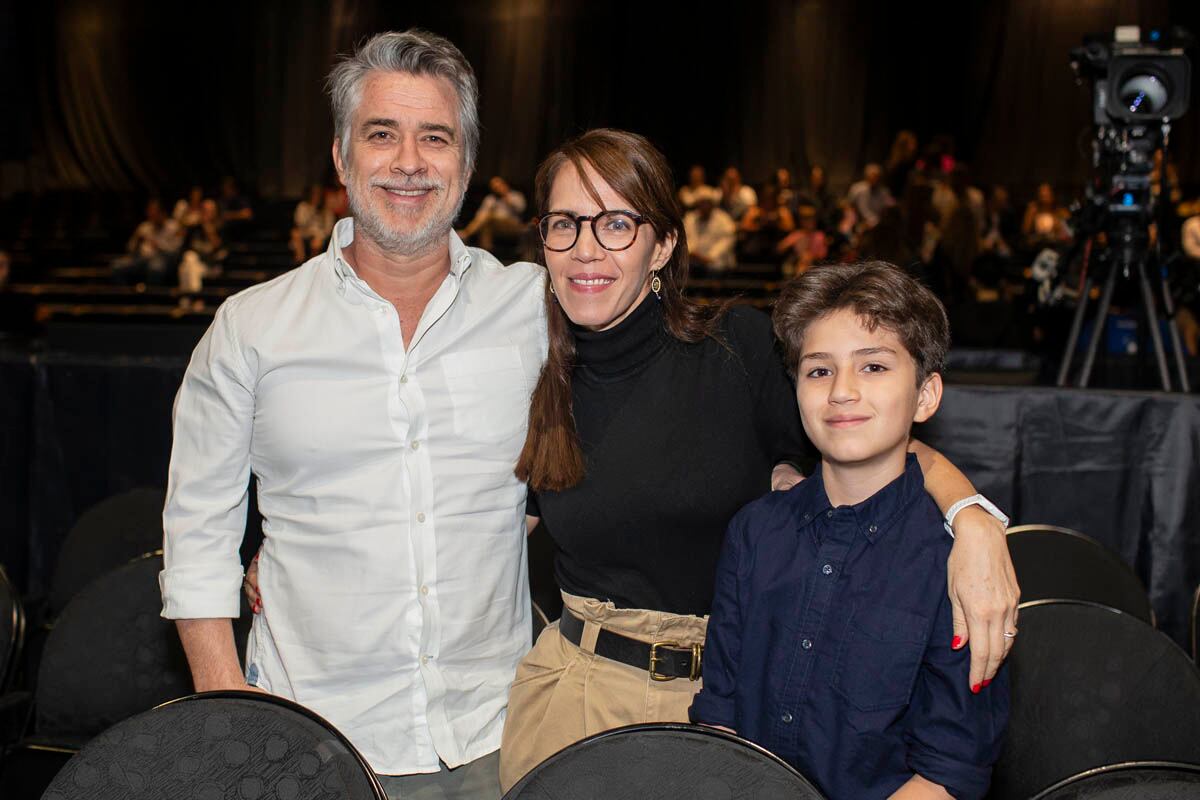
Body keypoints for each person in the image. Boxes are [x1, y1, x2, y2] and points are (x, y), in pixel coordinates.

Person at [496, 129, 1019, 792]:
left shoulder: (735, 349)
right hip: (575, 702)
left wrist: (972, 519)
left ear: (664, 244)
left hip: (734, 708)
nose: (585, 247)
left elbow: (869, 430)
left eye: (617, 223)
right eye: (564, 223)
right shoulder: (538, 374)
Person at [160, 30, 544, 799]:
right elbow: (197, 535)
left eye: (435, 137)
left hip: (498, 738)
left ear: (467, 162)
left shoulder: (533, 308)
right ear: (340, 158)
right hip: (307, 744)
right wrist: (229, 710)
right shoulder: (251, 327)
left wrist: (783, 462)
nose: (409, 161)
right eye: (381, 134)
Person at [692, 262, 1008, 799]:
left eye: (873, 367)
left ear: (926, 395)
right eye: (819, 371)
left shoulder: (955, 564)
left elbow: (948, 772)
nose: (841, 391)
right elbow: (719, 717)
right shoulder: (755, 532)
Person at [112, 198, 184, 285]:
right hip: (141, 259)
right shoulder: (144, 227)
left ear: (162, 213)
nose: (151, 215)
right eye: (150, 212)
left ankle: (150, 294)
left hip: (163, 260)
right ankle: (126, 293)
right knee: (117, 266)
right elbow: (129, 249)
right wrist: (137, 240)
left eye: (154, 212)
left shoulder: (174, 227)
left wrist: (158, 246)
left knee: (154, 268)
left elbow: (175, 251)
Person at [457, 175, 527, 252]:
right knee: (486, 223)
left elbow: (521, 209)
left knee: (488, 218)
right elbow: (480, 215)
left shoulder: (516, 196)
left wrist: (506, 197)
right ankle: (486, 251)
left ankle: (466, 233)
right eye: (495, 187)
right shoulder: (490, 199)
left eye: (499, 185)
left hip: (513, 224)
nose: (497, 188)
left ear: (505, 184)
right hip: (494, 224)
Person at [684, 191, 737, 272]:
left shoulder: (724, 219)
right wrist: (691, 251)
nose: (704, 206)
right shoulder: (690, 218)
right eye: (702, 203)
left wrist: (710, 256)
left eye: (707, 203)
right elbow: (685, 238)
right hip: (693, 263)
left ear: (712, 204)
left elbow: (727, 241)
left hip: (718, 266)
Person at [289, 183, 335, 264]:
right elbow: (299, 222)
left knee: (316, 242)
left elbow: (328, 227)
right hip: (305, 232)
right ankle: (300, 261)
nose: (316, 196)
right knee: (295, 233)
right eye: (314, 194)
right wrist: (312, 211)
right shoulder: (302, 206)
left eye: (318, 194)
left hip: (319, 234)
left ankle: (312, 263)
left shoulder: (326, 209)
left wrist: (321, 234)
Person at [846, 163, 895, 231]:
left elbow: (890, 205)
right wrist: (852, 220)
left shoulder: (884, 192)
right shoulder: (857, 189)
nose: (874, 179)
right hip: (859, 222)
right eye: (872, 176)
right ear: (867, 176)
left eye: (876, 176)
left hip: (879, 224)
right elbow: (849, 206)